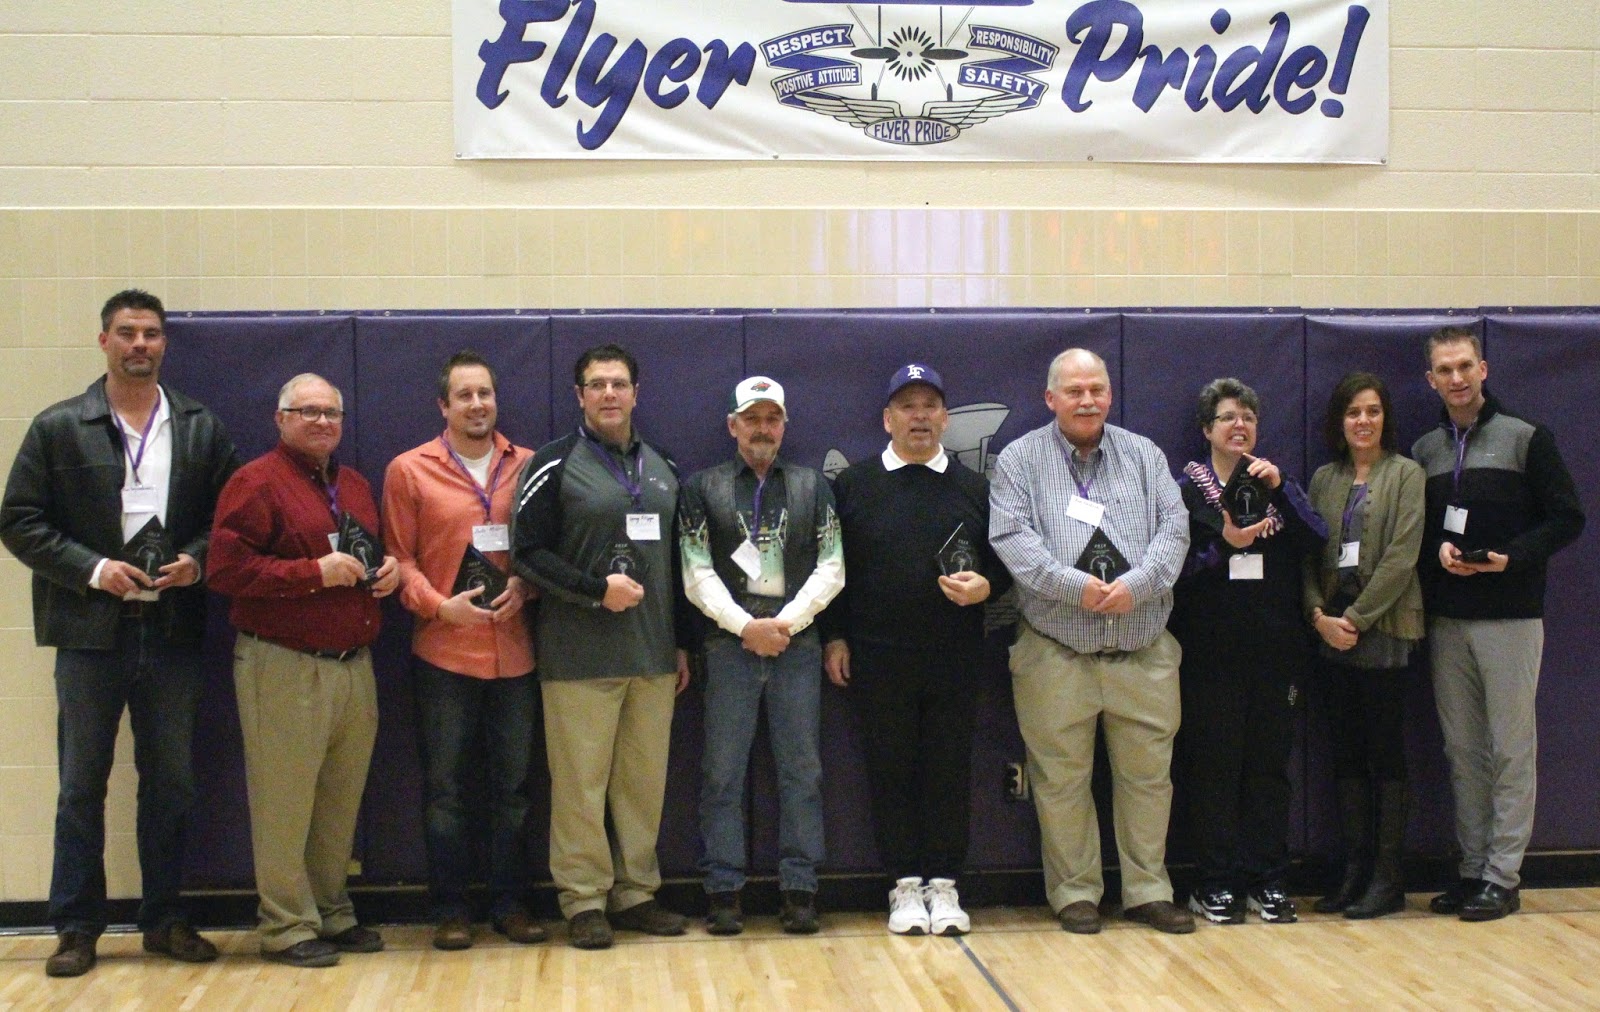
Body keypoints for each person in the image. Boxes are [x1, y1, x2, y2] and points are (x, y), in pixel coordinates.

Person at [0, 290, 238, 977]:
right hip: (89, 635)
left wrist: (197, 561)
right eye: (127, 332)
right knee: (81, 786)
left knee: (172, 785)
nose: (140, 344)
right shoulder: (58, 426)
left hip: (171, 631)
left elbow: (228, 522)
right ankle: (76, 928)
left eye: (151, 333)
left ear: (165, 344)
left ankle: (163, 920)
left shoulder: (199, 426)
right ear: (103, 340)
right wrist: (95, 569)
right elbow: (18, 520)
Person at [989, 348, 1194, 936]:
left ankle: (1148, 891)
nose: (1087, 400)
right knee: (1060, 780)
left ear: (1109, 394)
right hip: (1055, 651)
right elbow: (1012, 537)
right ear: (1050, 398)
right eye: (1074, 391)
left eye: (1096, 389)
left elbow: (1175, 531)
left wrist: (1138, 585)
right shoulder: (1020, 460)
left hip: (1143, 650)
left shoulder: (1144, 455)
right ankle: (1075, 892)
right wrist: (1073, 586)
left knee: (1149, 781)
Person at [208, 373, 399, 967]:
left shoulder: (355, 485)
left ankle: (331, 911)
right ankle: (286, 925)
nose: (321, 422)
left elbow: (367, 556)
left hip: (353, 663)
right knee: (284, 800)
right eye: (307, 411)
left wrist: (388, 571)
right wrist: (313, 573)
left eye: (331, 413)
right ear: (281, 419)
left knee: (339, 799)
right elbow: (225, 571)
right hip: (284, 663)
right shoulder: (255, 482)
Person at [511, 343, 694, 950]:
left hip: (653, 657)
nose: (609, 393)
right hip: (578, 659)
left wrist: (682, 644)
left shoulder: (664, 465)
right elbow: (527, 554)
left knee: (642, 786)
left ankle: (636, 893)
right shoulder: (552, 463)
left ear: (637, 394)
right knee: (580, 788)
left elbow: (681, 564)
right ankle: (584, 899)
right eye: (597, 384)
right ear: (580, 396)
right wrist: (596, 592)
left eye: (619, 383)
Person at [822, 364, 1010, 936]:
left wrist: (986, 586)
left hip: (954, 657)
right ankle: (904, 885)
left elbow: (1006, 566)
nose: (919, 416)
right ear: (888, 419)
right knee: (891, 772)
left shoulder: (975, 488)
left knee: (948, 772)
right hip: (878, 658)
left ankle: (945, 885)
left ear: (946, 419)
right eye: (907, 406)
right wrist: (835, 635)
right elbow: (832, 570)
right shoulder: (853, 486)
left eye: (930, 406)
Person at [1413, 328, 1584, 922]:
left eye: (1465, 366)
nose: (1456, 378)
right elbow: (1418, 528)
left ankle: (1503, 876)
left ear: (1483, 369)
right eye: (1444, 370)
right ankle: (1472, 869)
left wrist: (1512, 557)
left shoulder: (1527, 437)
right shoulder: (1426, 450)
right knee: (1463, 749)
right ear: (1431, 380)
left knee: (1510, 747)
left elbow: (1567, 518)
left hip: (1511, 617)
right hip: (1448, 620)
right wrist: (1437, 550)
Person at [381, 351, 544, 950]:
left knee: (514, 790)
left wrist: (526, 585)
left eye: (485, 394)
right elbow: (399, 558)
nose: (477, 405)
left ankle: (510, 904)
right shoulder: (408, 470)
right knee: (446, 790)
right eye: (465, 396)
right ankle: (451, 908)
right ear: (443, 406)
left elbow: (544, 549)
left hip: (516, 653)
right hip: (444, 653)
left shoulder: (529, 464)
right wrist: (435, 605)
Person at [680, 376, 844, 936]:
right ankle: (723, 889)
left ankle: (800, 887)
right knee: (722, 772)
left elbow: (832, 566)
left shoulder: (812, 485)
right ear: (732, 425)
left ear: (784, 426)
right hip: (728, 647)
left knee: (802, 770)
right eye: (751, 418)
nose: (762, 428)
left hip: (797, 646)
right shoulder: (703, 488)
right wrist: (746, 627)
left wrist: (785, 625)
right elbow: (695, 571)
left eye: (772, 418)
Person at [1169, 379, 1326, 925]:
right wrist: (1223, 547)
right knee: (1213, 769)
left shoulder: (1277, 484)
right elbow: (1174, 573)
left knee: (1268, 771)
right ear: (1207, 429)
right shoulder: (1186, 491)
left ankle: (1268, 879)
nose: (1240, 426)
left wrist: (1281, 491)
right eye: (1228, 417)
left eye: (1249, 418)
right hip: (1210, 654)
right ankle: (1214, 881)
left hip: (1274, 653)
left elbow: (1317, 539)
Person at [1303, 372, 1426, 920]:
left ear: (1385, 419)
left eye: (1373, 411)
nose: (1363, 421)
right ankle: (1354, 871)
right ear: (1340, 420)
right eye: (1354, 412)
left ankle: (1387, 876)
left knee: (1384, 753)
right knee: (1346, 753)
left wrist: (1354, 619)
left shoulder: (1407, 474)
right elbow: (1308, 555)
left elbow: (1402, 557)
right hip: (1331, 633)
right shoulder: (1324, 478)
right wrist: (1318, 616)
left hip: (1384, 630)